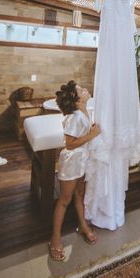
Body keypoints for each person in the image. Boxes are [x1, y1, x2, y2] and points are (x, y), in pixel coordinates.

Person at [48, 81, 100, 262]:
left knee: (79, 194)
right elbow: (69, 144)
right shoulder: (74, 117)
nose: (86, 89)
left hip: (83, 160)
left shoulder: (86, 111)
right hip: (72, 162)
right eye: (81, 90)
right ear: (76, 100)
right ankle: (54, 239)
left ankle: (83, 226)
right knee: (64, 200)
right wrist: (92, 135)